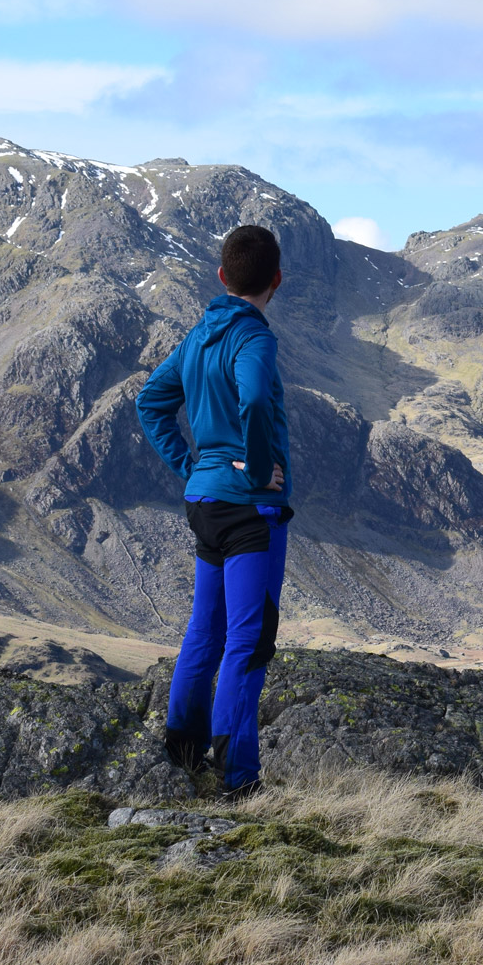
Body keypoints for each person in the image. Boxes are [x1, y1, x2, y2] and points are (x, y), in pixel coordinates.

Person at [135, 225, 292, 801]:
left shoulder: (198, 335)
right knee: (247, 643)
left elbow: (150, 401)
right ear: (276, 280)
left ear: (222, 276)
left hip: (204, 503)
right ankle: (236, 780)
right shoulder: (254, 338)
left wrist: (193, 467)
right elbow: (251, 397)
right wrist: (252, 471)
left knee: (205, 631)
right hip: (251, 513)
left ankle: (181, 759)